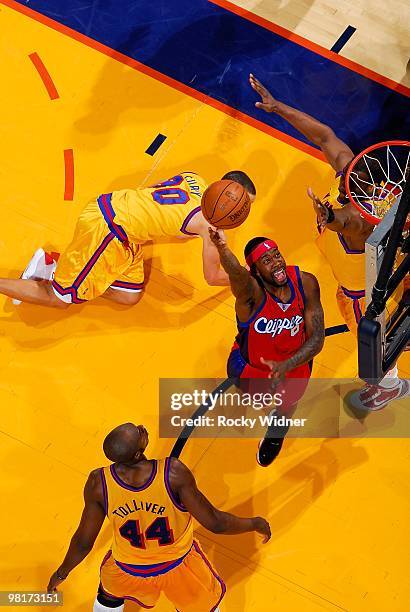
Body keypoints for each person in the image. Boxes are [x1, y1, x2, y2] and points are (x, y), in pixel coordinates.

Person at [249, 73, 409, 411]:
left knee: (374, 346)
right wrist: (278, 108)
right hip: (386, 266)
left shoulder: (359, 221)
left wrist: (327, 216)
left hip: (362, 295)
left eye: (352, 177)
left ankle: (389, 385)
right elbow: (324, 136)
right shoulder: (356, 179)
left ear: (366, 186)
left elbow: (344, 223)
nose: (343, 178)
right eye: (347, 172)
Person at [47, 423, 271, 611]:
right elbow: (216, 522)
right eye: (139, 432)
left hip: (128, 568)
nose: (143, 429)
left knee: (108, 598)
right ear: (137, 453)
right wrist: (255, 523)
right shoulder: (173, 473)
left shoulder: (99, 482)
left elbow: (84, 541)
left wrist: (61, 573)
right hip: (179, 566)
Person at [0, 171, 256, 308]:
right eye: (243, 205)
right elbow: (212, 277)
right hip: (108, 230)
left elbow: (153, 189)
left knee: (127, 296)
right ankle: (55, 278)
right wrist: (247, 277)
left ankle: (65, 271)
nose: (243, 210)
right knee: (60, 298)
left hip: (115, 211)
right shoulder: (211, 229)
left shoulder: (194, 178)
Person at [209, 230, 325, 467]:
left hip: (295, 364)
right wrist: (222, 248)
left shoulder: (306, 282)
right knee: (258, 398)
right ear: (256, 271)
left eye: (277, 255)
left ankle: (276, 432)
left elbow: (317, 338)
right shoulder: (250, 295)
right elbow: (237, 274)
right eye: (267, 260)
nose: (277, 263)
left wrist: (288, 365)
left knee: (288, 405)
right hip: (251, 367)